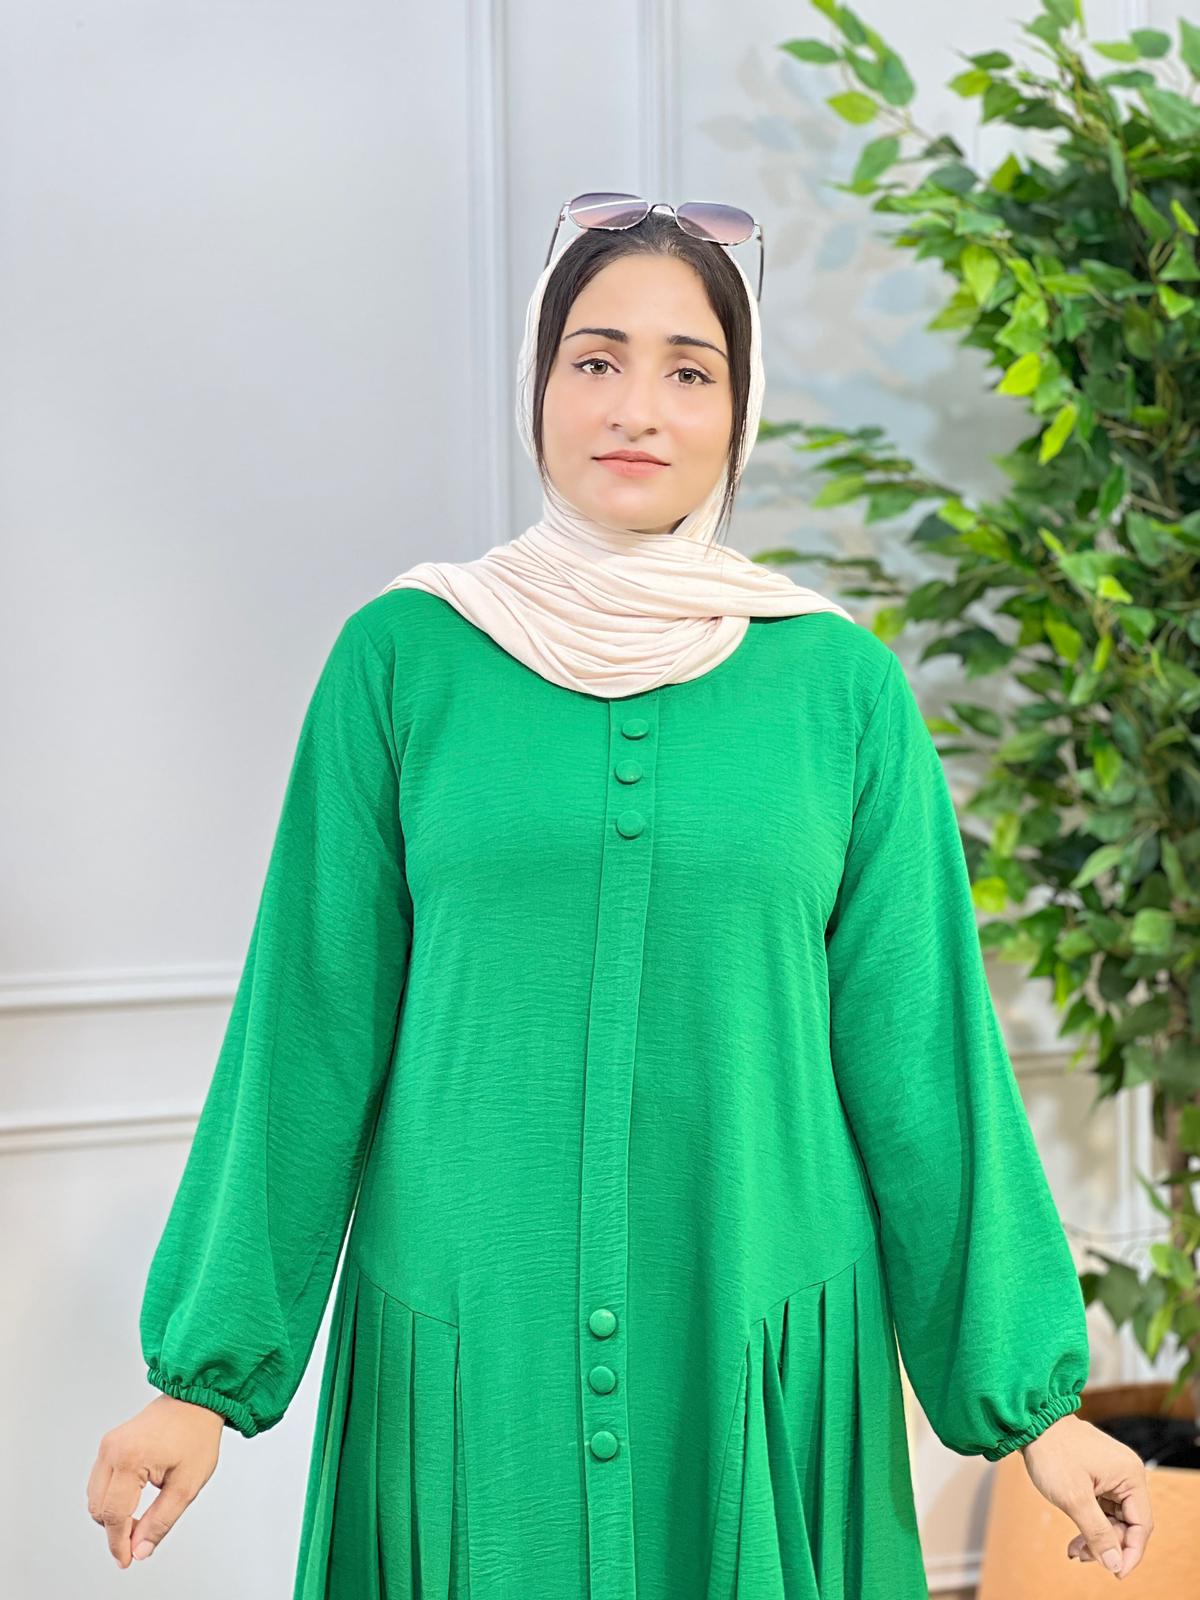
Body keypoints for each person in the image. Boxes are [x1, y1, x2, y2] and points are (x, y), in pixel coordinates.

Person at [88, 196, 1153, 1594]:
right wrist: (201, 1381)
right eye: (595, 359)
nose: (636, 407)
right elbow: (308, 1029)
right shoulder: (403, 659)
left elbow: (925, 1064)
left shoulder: (840, 689)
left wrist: (1036, 1407)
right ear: (539, 384)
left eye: (689, 370)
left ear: (739, 409)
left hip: (757, 1325)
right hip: (474, 1344)